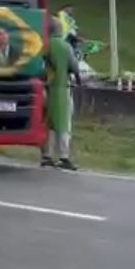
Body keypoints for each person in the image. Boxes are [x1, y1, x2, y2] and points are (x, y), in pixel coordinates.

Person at [42, 16, 80, 171]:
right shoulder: (65, 47)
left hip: (46, 87)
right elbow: (74, 67)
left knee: (49, 122)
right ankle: (64, 156)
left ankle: (47, 156)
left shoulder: (44, 45)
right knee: (64, 123)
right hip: (62, 87)